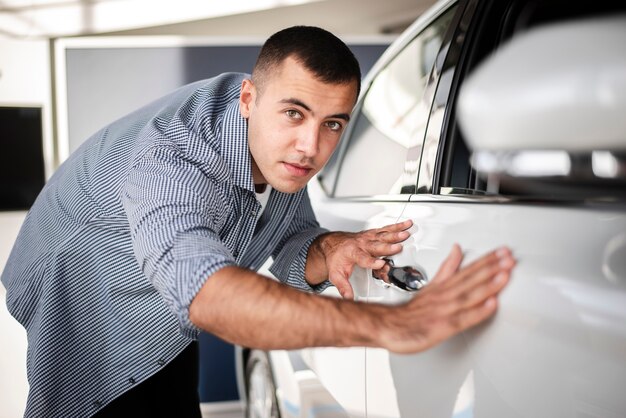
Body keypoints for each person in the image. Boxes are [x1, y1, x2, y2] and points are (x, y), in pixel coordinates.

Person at [1, 26, 515, 418]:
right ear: (249, 99)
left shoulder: (276, 153)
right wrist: (394, 323)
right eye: (294, 113)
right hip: (82, 303)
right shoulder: (172, 156)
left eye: (332, 123)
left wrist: (330, 246)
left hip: (168, 323)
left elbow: (292, 243)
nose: (311, 147)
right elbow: (204, 291)